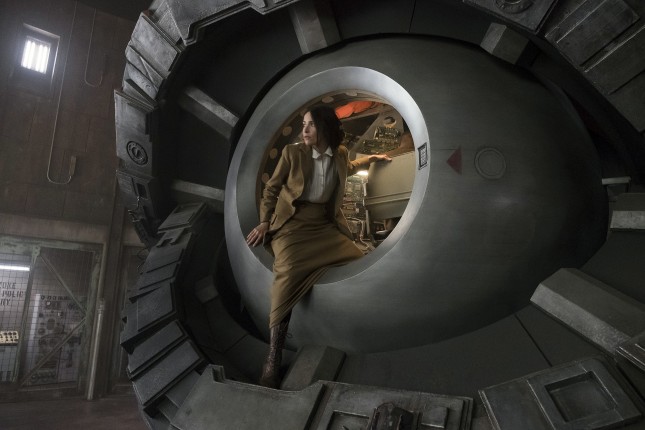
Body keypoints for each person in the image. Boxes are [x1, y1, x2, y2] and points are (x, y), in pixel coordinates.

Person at [246, 105, 391, 388]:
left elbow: (346, 169)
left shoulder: (340, 154)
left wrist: (372, 158)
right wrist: (264, 222)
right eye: (304, 125)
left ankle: (355, 332)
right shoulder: (292, 153)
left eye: (310, 124)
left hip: (324, 226)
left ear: (324, 127)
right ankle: (272, 358)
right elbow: (272, 189)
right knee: (287, 273)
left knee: (360, 258)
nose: (305, 130)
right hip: (292, 225)